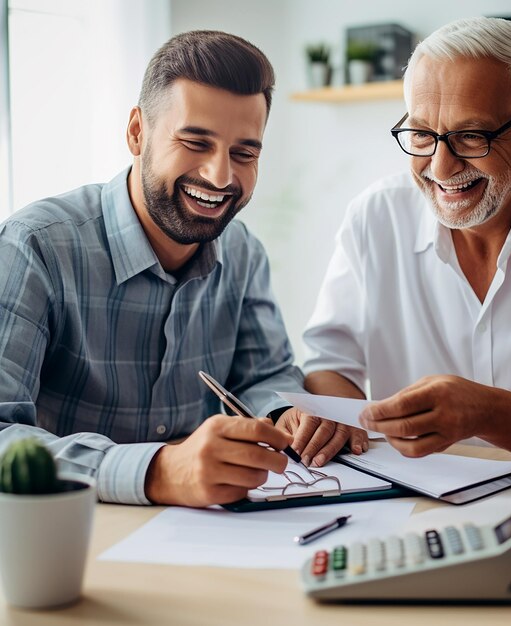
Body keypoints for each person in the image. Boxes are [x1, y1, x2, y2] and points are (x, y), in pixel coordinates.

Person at [0, 30, 364, 508]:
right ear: (136, 132)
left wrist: (282, 412)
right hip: (70, 538)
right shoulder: (34, 246)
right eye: (195, 142)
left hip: (204, 528)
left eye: (244, 153)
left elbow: (264, 374)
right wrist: (156, 471)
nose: (220, 177)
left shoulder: (242, 251)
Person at [302, 17, 511, 471]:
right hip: (415, 506)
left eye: (471, 136)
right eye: (420, 134)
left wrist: (487, 411)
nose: (441, 166)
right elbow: (328, 361)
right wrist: (341, 423)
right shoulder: (374, 218)